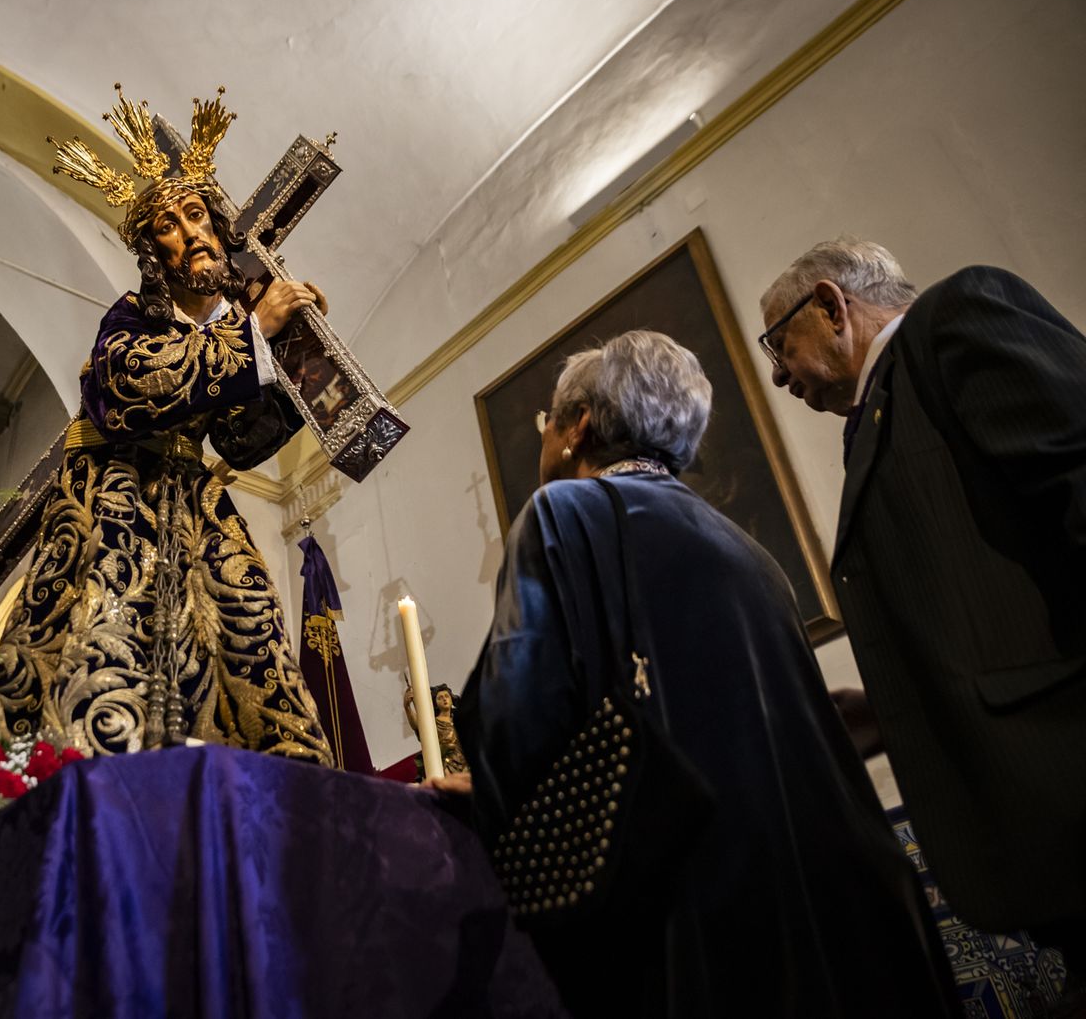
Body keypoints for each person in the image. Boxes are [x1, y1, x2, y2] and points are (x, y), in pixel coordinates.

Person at [451, 330, 957, 1017]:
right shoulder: (750, 551)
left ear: (578, 428)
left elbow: (520, 720)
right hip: (837, 900)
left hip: (689, 906)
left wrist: (478, 795)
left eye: (549, 422)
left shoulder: (561, 513)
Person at [759, 238, 1086, 964]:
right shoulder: (875, 419)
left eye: (776, 346)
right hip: (1041, 827)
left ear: (830, 305)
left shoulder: (959, 319)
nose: (778, 376)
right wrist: (890, 709)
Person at [0, 87, 331, 764]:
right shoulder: (130, 317)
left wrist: (295, 365)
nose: (192, 232)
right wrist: (253, 330)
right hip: (115, 502)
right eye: (169, 226)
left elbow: (235, 439)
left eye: (197, 214)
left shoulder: (215, 330)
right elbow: (126, 386)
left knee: (250, 637)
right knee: (107, 643)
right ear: (153, 253)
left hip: (196, 508)